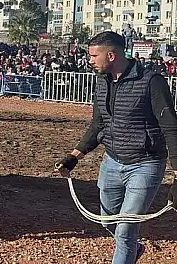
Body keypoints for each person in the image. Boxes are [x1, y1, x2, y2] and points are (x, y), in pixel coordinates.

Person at [55, 31, 177, 264]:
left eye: (93, 55)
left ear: (111, 55)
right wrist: (74, 156)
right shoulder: (102, 82)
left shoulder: (152, 81)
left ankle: (127, 251)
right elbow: (98, 125)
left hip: (145, 165)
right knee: (107, 222)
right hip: (111, 162)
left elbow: (171, 127)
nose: (90, 60)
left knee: (125, 230)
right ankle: (133, 250)